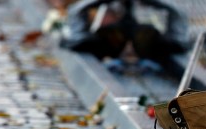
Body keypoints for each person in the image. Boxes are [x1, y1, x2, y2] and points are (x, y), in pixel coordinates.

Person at [60, 0, 189, 74]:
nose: (129, 52)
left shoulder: (158, 44)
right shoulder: (94, 41)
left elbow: (180, 34)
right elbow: (74, 32)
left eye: (137, 44)